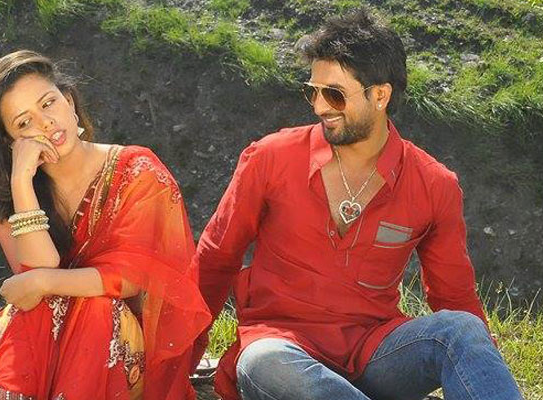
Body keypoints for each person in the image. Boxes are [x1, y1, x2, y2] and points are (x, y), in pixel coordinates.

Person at [191, 10, 522, 400]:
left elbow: (455, 297)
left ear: (380, 95)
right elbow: (216, 259)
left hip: (375, 354)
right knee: (264, 362)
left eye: (334, 94)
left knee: (461, 329)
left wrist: (482, 366)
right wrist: (177, 359)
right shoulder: (269, 158)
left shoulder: (434, 185)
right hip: (282, 347)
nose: (319, 107)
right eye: (312, 91)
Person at [0, 50, 210, 400]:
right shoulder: (7, 194)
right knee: (49, 306)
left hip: (127, 341)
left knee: (98, 307)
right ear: (10, 142)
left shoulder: (137, 170)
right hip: (49, 332)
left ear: (69, 101)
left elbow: (128, 280)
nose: (46, 123)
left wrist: (44, 281)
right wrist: (21, 182)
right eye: (24, 123)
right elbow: (36, 280)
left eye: (48, 103)